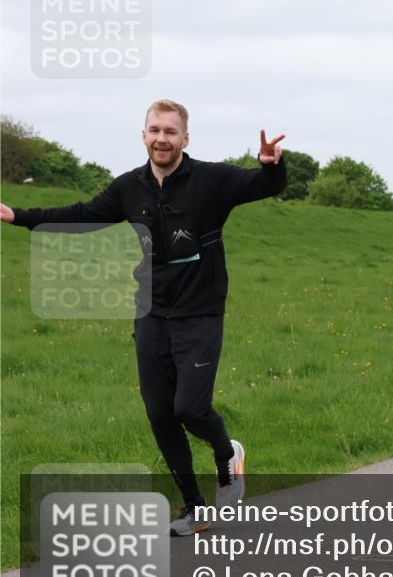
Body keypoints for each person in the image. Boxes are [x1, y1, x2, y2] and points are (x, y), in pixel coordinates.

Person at [0, 100, 286, 536]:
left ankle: (227, 452)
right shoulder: (129, 188)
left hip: (200, 312)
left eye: (170, 131)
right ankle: (194, 509)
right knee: (159, 412)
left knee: (190, 408)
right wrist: (19, 216)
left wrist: (269, 167)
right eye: (154, 130)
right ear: (143, 136)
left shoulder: (211, 180)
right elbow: (81, 215)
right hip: (151, 312)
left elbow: (261, 186)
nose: (161, 138)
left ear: (185, 139)